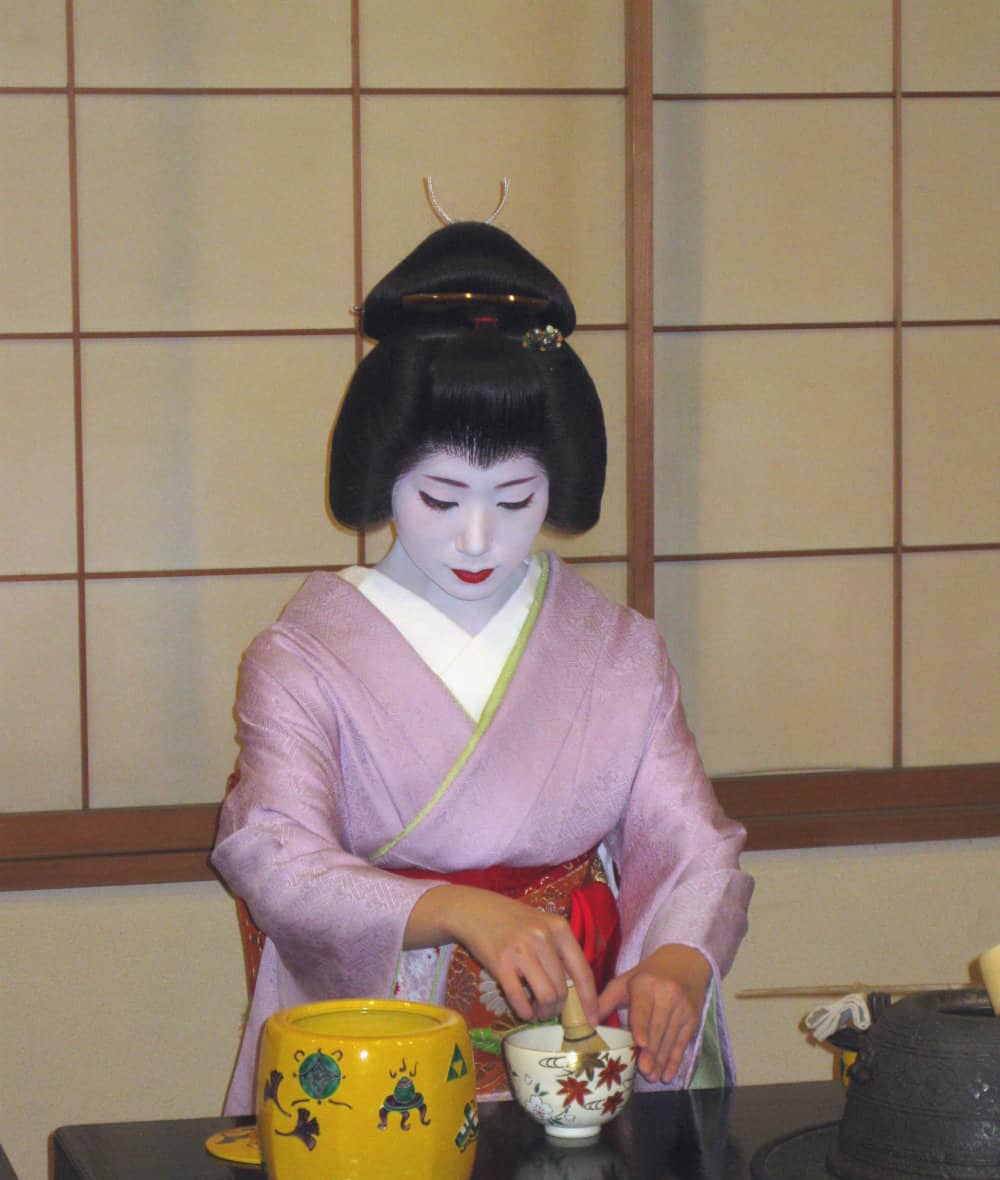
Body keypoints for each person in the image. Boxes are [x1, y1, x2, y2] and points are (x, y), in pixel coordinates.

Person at [212, 218, 753, 1113]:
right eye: (438, 496)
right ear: (383, 476)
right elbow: (274, 854)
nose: (476, 537)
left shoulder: (618, 651)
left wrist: (676, 957)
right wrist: (461, 909)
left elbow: (694, 843)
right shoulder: (301, 656)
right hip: (381, 1044)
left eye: (514, 498)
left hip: (582, 1039)